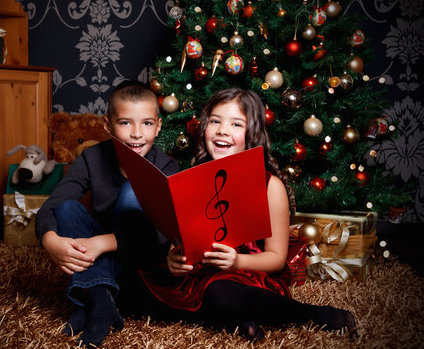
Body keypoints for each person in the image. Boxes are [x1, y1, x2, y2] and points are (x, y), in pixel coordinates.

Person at [119, 87, 358, 341]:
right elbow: (180, 238)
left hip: (247, 275)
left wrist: (236, 262)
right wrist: (174, 260)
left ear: (252, 135)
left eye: (236, 124)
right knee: (128, 284)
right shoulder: (193, 178)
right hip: (199, 274)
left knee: (220, 294)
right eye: (215, 121)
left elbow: (276, 259)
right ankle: (236, 320)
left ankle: (312, 314)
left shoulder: (270, 186)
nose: (222, 130)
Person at [35, 80, 180, 348]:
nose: (137, 133)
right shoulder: (92, 158)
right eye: (125, 123)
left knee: (131, 191)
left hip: (139, 265)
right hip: (100, 258)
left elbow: (162, 237)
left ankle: (90, 297)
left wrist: (102, 242)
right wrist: (49, 240)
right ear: (107, 125)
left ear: (158, 127)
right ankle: (100, 299)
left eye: (147, 123)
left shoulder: (168, 168)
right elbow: (52, 206)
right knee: (67, 208)